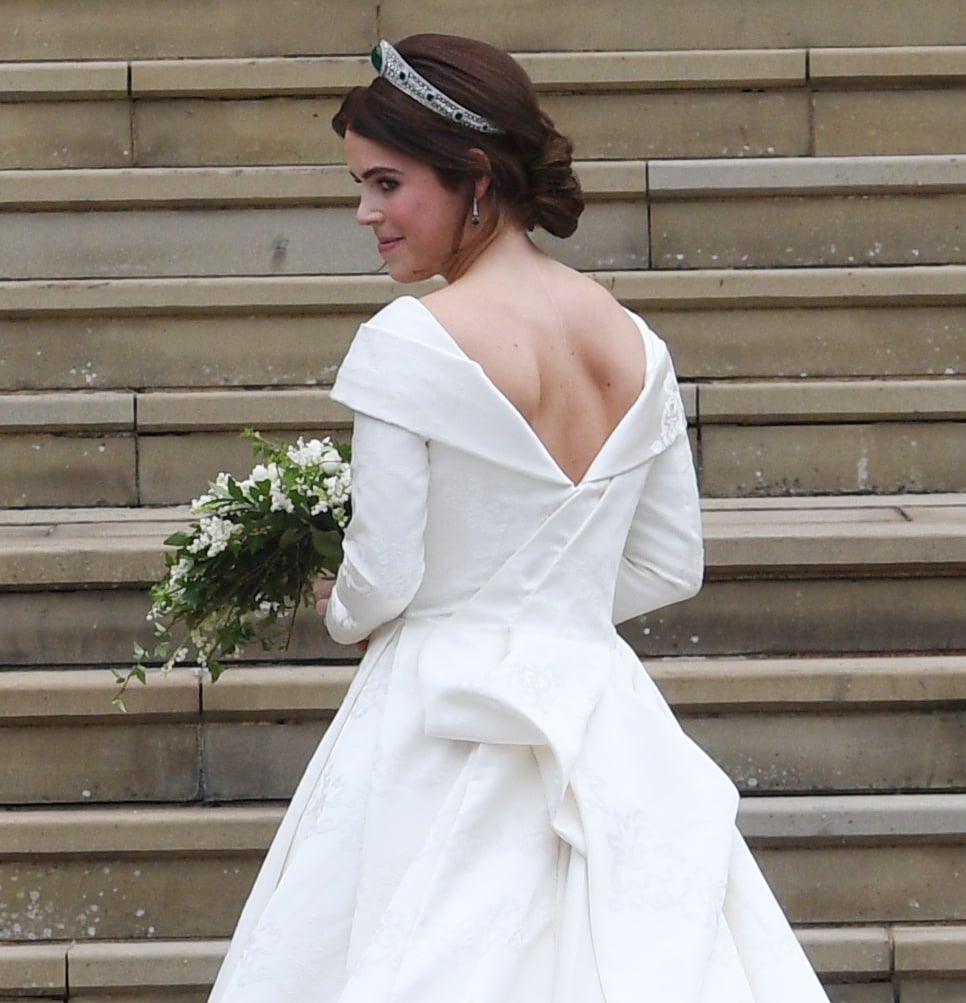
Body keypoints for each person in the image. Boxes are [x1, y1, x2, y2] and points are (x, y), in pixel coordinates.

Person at [206, 34, 830, 1003]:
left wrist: (345, 608)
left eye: (386, 183)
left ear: (477, 178)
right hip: (600, 709)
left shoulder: (407, 341)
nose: (366, 212)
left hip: (436, 714)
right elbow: (670, 564)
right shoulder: (639, 344)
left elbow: (386, 578)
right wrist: (553, 611)